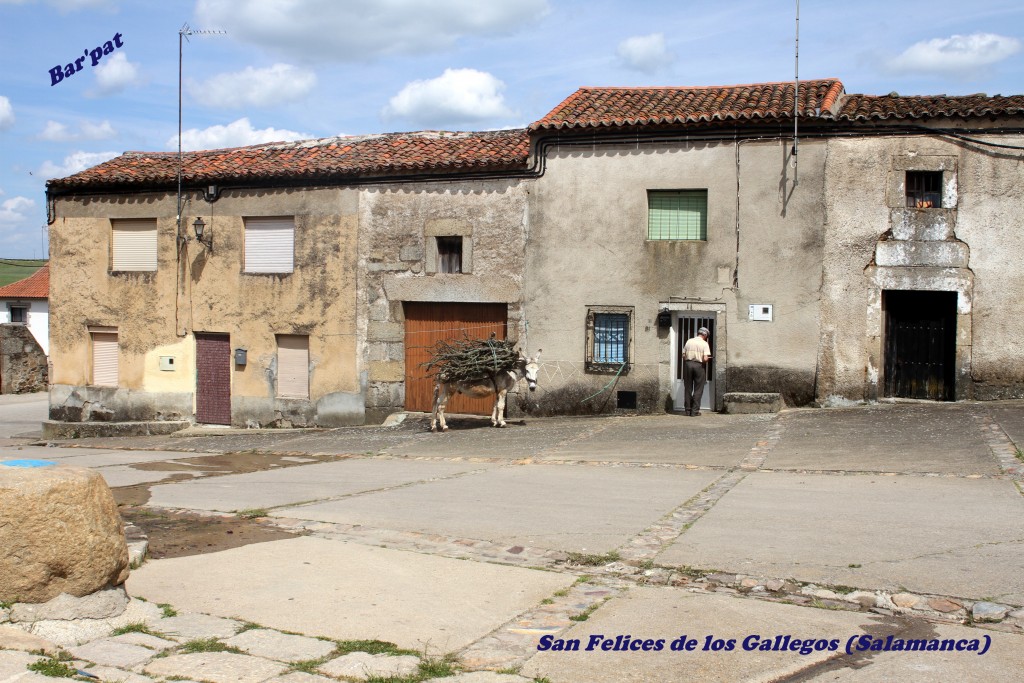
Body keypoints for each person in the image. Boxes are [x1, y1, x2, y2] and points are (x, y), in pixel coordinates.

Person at [682, 327, 712, 416]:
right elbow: (705, 358)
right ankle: (694, 411)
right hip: (699, 366)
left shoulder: (689, 341)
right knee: (698, 389)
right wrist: (704, 360)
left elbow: (683, 355)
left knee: (688, 388)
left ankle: (687, 410)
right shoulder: (704, 344)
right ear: (705, 335)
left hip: (688, 364)